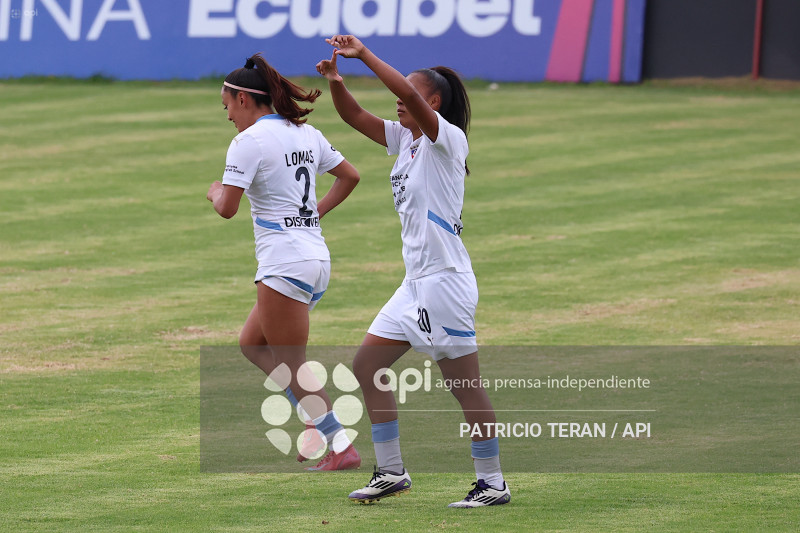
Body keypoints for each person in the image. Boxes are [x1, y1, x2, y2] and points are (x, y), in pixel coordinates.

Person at [316, 36, 510, 507]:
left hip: (445, 282)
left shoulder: (447, 138)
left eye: (410, 95)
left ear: (432, 103)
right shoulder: (407, 139)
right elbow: (354, 117)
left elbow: (402, 90)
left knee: (464, 386)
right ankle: (391, 472)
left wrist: (365, 55)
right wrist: (337, 80)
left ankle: (492, 483)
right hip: (414, 285)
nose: (398, 103)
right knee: (367, 365)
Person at [207, 53, 361, 471]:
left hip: (284, 265)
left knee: (292, 363)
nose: (228, 116)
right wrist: (313, 215)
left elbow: (227, 208)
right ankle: (315, 416)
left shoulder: (248, 142)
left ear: (242, 99)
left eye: (227, 105)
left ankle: (340, 445)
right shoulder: (305, 132)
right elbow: (350, 175)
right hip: (315, 260)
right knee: (252, 344)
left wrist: (214, 191)